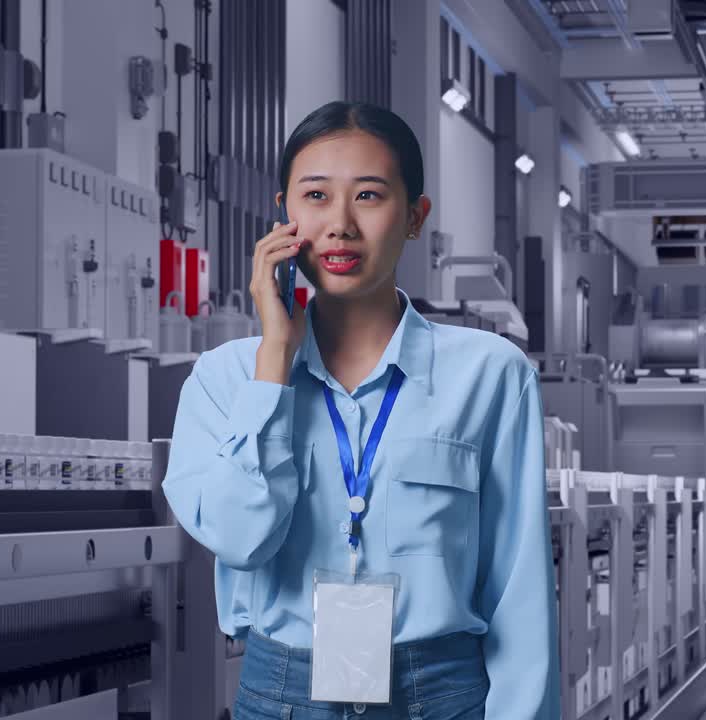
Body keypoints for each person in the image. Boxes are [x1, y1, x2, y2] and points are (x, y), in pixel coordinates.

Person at [162, 100, 559, 719]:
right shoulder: (226, 378)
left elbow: (521, 589)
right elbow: (240, 539)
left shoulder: (489, 373)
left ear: (415, 217)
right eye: (315, 196)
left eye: (369, 197)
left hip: (440, 694)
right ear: (284, 214)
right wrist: (273, 362)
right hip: (283, 694)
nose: (340, 225)